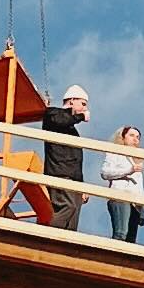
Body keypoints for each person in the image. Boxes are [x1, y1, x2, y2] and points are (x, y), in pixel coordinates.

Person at [41, 84, 89, 230]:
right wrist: (80, 116)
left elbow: (76, 159)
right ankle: (48, 238)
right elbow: (61, 120)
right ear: (72, 100)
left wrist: (81, 184)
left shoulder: (70, 128)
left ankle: (67, 246)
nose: (85, 109)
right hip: (59, 173)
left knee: (74, 215)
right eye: (83, 104)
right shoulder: (52, 114)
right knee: (67, 206)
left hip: (72, 176)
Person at [101, 125, 144, 245]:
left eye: (138, 137)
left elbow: (139, 186)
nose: (135, 139)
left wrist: (142, 209)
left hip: (135, 202)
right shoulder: (115, 154)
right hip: (120, 196)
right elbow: (105, 173)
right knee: (121, 233)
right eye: (131, 135)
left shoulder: (137, 160)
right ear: (123, 137)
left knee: (131, 239)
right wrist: (129, 170)